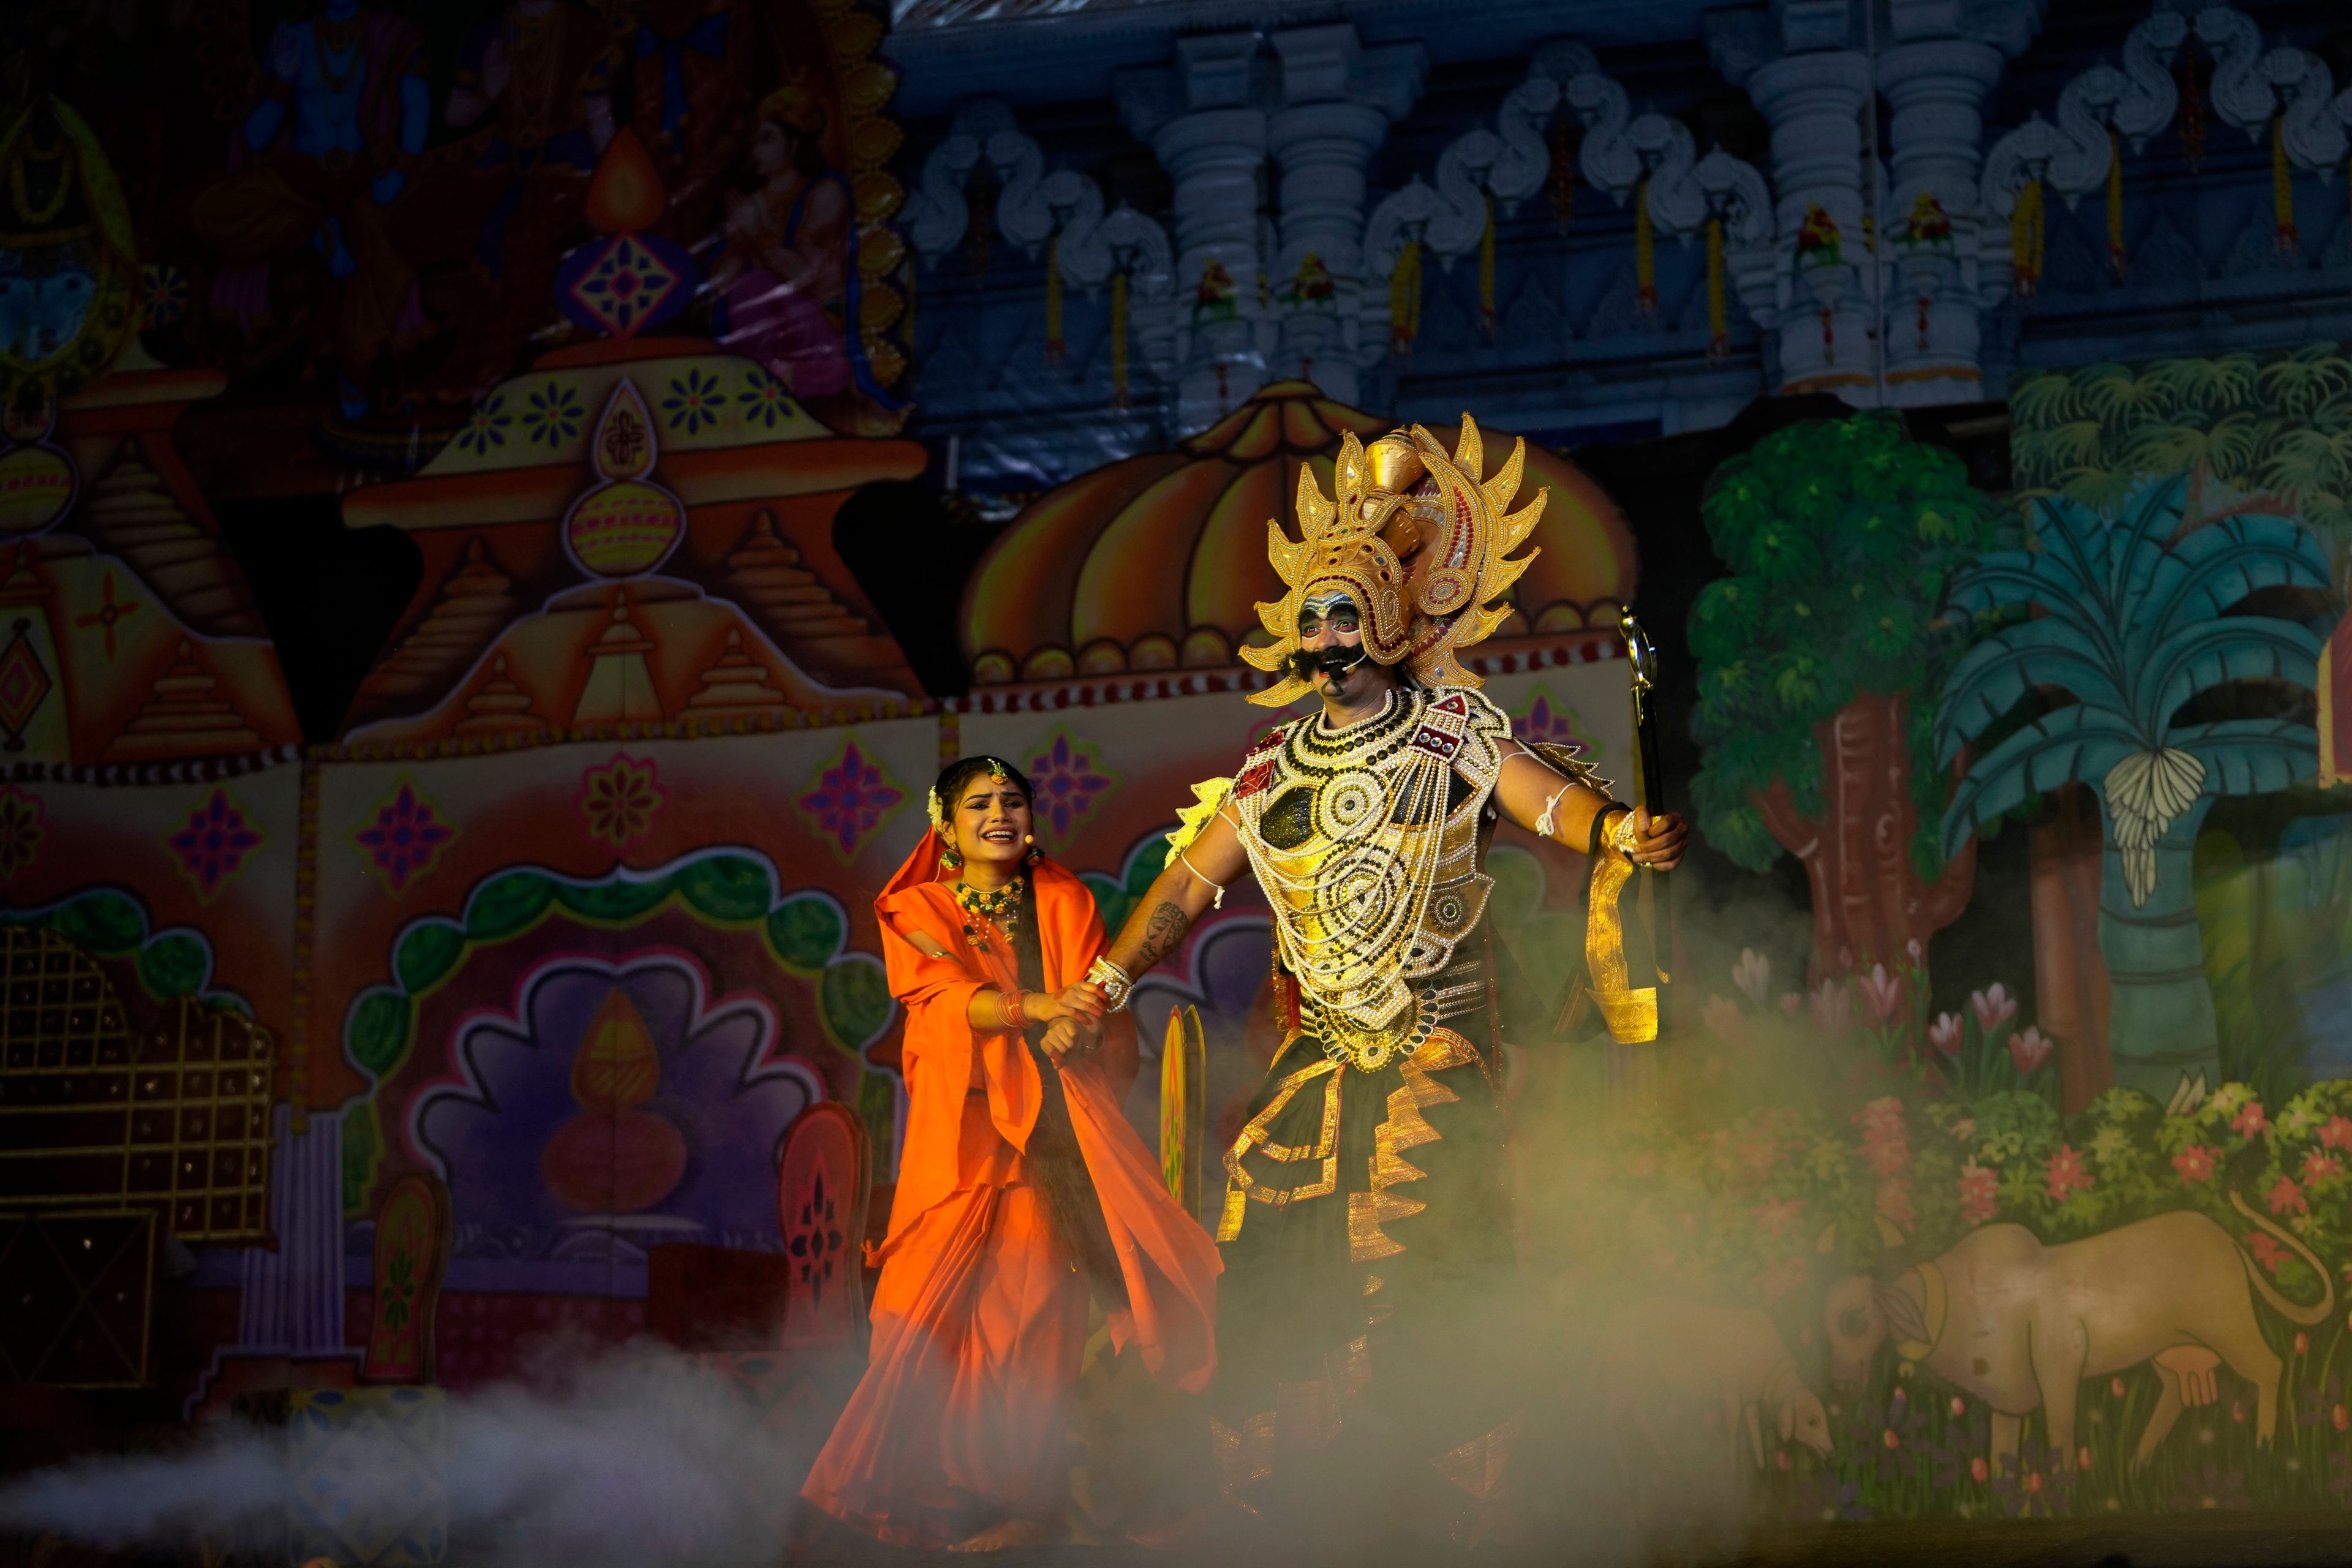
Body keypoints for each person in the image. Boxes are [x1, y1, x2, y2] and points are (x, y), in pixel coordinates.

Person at [1064, 419, 1690, 1544]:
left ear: (1394, 625)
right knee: (1275, 1281)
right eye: (1309, 619)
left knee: (1425, 1276)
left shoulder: (1451, 730)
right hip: (1315, 1068)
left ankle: (1468, 1526)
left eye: (1346, 614)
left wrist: (1617, 833)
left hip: (1433, 1054)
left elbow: (1547, 801)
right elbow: (1177, 893)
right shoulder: (1265, 772)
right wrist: (1101, 987)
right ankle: (1292, 1520)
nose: (1325, 636)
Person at [801, 755, 1221, 1551]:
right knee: (912, 1317)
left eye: (1014, 800)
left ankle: (1002, 1499)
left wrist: (1081, 1023)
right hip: (958, 1144)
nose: (1001, 813)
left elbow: (1100, 992)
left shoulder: (1065, 900)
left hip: (1048, 1145)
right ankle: (919, 1493)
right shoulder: (913, 905)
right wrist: (1038, 1007)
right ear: (945, 826)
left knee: (1026, 1319)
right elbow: (943, 995)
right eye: (980, 803)